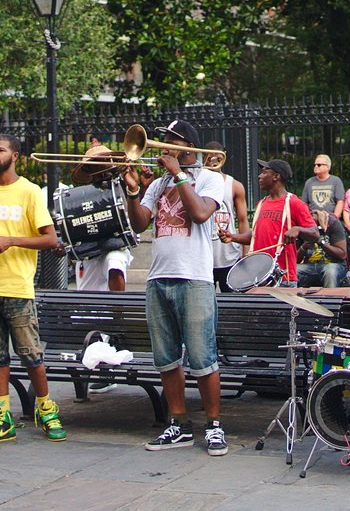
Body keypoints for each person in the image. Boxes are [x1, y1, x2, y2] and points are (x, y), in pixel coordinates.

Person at [124, 119, 228, 456]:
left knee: (202, 358)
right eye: (163, 140)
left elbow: (199, 214)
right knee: (166, 359)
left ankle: (213, 425)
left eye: (170, 140)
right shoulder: (158, 184)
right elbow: (139, 223)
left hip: (195, 278)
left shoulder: (211, 179)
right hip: (158, 279)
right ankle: (178, 424)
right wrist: (133, 190)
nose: (162, 145)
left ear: (186, 147)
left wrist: (179, 174)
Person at [0, 133, 68, 445]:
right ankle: (2, 416)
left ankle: (46, 408)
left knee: (30, 353)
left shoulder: (29, 192)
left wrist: (11, 240)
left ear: (16, 156)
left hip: (16, 284)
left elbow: (51, 240)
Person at [220, 159, 318, 287]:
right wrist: (233, 237)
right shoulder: (262, 203)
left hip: (283, 279)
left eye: (264, 172)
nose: (260, 176)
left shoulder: (294, 203)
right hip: (257, 277)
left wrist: (298, 229)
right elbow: (255, 237)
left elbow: (315, 234)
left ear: (276, 176)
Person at [64, 145, 134, 294]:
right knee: (86, 299)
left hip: (116, 245)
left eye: (105, 164)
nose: (102, 173)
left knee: (114, 261)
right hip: (90, 250)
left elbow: (139, 215)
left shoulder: (122, 184)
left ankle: (118, 311)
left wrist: (135, 187)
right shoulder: (82, 197)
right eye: (96, 166)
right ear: (89, 172)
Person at [205, 141, 247, 293]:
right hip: (205, 257)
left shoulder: (234, 185)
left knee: (232, 302)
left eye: (218, 157)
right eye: (210, 157)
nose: (214, 161)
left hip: (229, 256)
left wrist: (245, 252)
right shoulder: (197, 183)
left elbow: (242, 220)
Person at [296, 209, 348, 288]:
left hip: (334, 264)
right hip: (310, 266)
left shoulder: (333, 223)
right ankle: (293, 299)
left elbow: (342, 254)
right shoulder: (301, 227)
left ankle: (330, 298)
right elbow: (295, 260)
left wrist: (320, 242)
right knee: (293, 271)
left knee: (330, 271)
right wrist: (304, 246)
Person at [301, 153, 345, 220]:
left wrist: (335, 218)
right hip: (313, 219)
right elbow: (304, 203)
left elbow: (340, 202)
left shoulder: (336, 181)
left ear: (327, 167)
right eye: (315, 165)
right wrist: (308, 218)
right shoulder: (309, 182)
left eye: (319, 165)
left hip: (330, 218)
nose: (316, 166)